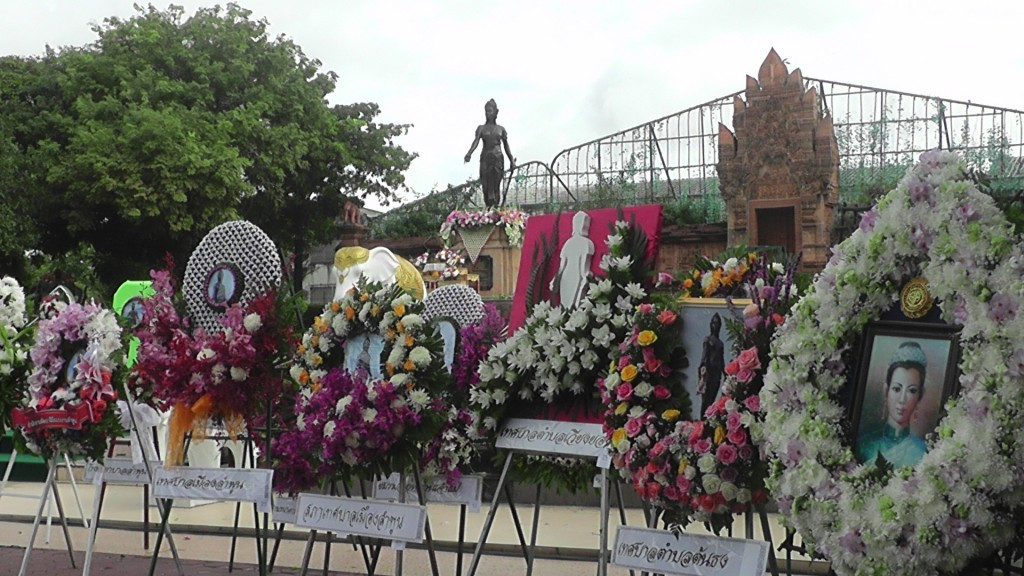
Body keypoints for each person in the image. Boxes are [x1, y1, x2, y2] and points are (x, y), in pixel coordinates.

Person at [856, 341, 929, 468]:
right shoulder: (864, 446)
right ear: (886, 391)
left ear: (920, 395)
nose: (902, 399)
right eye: (896, 389)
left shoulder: (924, 453)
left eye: (912, 391)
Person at [464, 99, 515, 208]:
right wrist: (469, 153)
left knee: (496, 185)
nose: (488, 113)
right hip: (485, 158)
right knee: (486, 186)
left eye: (490, 111)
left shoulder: (501, 129)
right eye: (486, 111)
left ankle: (496, 209)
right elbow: (476, 141)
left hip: (497, 158)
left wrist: (511, 160)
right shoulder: (481, 128)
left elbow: (506, 145)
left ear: (496, 112)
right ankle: (488, 208)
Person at [549, 211, 594, 308]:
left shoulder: (584, 243)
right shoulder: (572, 243)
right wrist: (554, 279)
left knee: (572, 304)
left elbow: (584, 270)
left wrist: (585, 278)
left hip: (575, 276)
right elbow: (561, 267)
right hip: (568, 277)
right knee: (565, 304)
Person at [698, 313, 725, 416]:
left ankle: (709, 420)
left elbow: (721, 359)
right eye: (713, 323)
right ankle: (702, 420)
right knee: (705, 400)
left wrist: (725, 373)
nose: (715, 326)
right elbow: (704, 356)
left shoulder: (720, 343)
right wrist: (702, 372)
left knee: (712, 399)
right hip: (708, 373)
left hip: (716, 374)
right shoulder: (708, 340)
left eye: (717, 324)